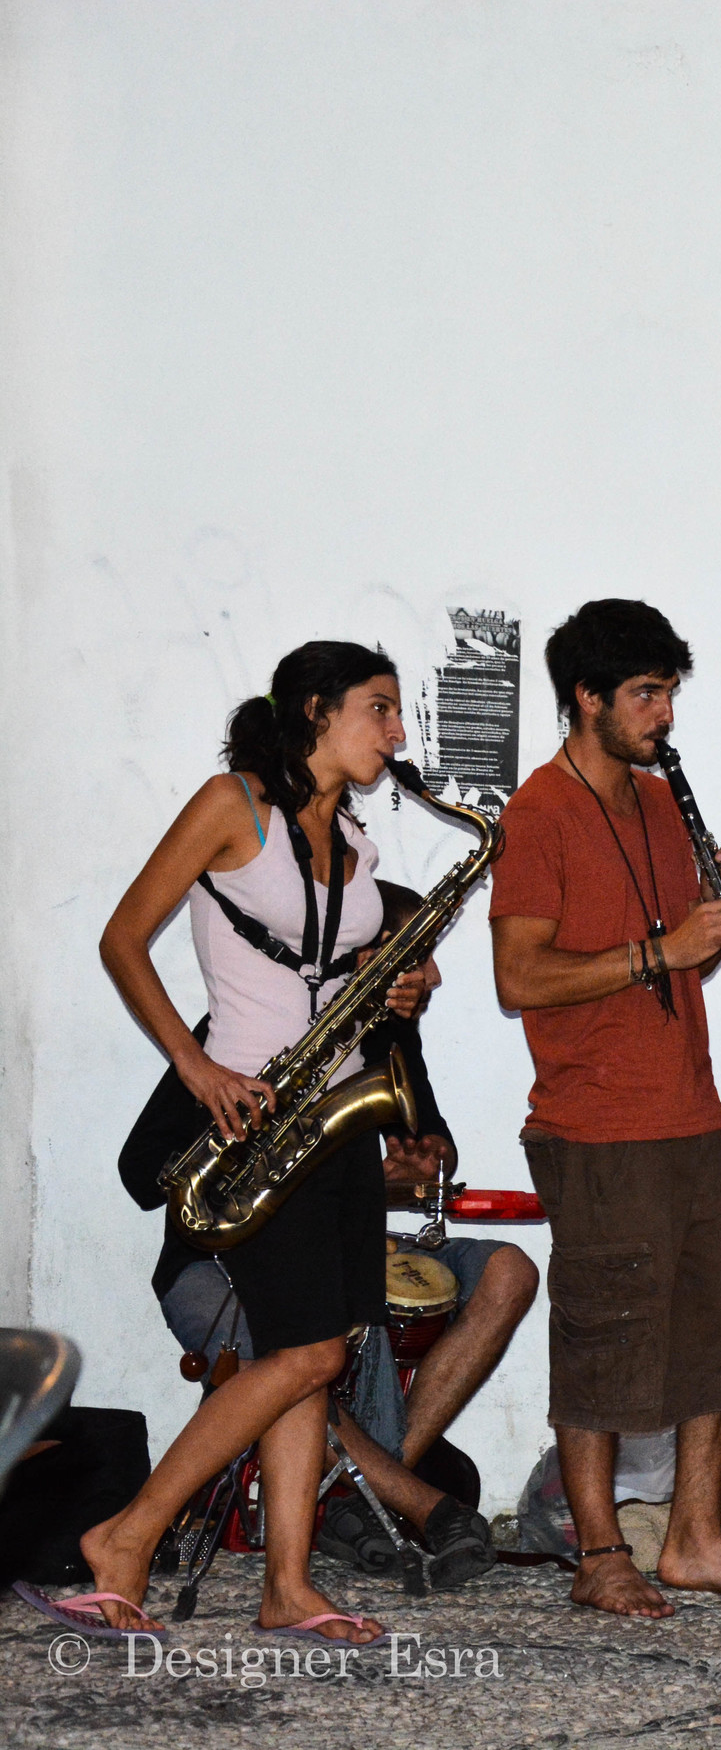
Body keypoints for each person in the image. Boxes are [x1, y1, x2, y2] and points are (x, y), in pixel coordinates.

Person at [70, 642, 437, 1643]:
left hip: (337, 1118)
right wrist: (196, 1069)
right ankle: (131, 1528)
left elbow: (342, 972)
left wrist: (396, 983)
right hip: (249, 1121)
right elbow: (121, 936)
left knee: (310, 1356)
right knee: (307, 1349)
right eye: (380, 707)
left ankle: (287, 1583)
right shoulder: (234, 803)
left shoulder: (354, 842)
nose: (397, 731)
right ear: (315, 707)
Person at [488, 599, 721, 1620]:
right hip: (595, 1122)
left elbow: (673, 939)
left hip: (689, 1109)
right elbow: (521, 973)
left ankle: (696, 1536)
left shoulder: (661, 804)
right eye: (646, 694)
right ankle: (599, 1550)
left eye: (668, 692)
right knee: (605, 1339)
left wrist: (712, 910)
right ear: (587, 698)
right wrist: (663, 949)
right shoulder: (540, 812)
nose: (665, 713)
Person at [156, 912, 539, 1590]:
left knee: (509, 1270)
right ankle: (416, 1501)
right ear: (365, 954)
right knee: (298, 1346)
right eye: (419, 958)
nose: (435, 975)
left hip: (343, 1248)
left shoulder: (388, 1036)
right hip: (212, 1265)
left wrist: (420, 1163)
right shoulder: (242, 1024)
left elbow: (428, 1143)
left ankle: (350, 1498)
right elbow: (142, 1170)